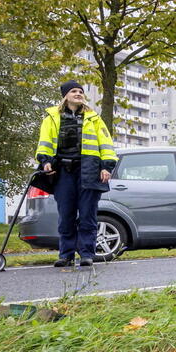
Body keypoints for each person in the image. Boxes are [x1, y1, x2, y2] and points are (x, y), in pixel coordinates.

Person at [34, 81, 117, 268]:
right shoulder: (51, 118)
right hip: (63, 172)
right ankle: (66, 255)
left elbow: (106, 145)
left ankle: (87, 254)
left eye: (80, 91)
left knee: (88, 215)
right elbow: (44, 142)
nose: (78, 94)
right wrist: (45, 162)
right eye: (74, 91)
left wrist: (107, 167)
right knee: (66, 215)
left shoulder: (94, 118)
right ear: (65, 95)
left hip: (89, 171)